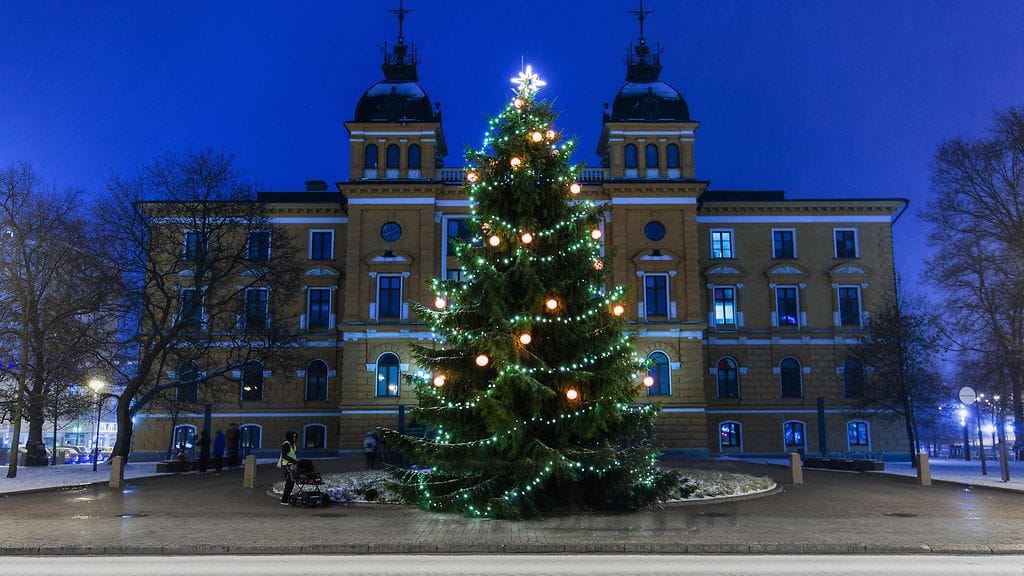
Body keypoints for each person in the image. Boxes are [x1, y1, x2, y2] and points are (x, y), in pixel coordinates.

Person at [279, 431, 298, 505]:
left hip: (292, 465)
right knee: (289, 483)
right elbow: (284, 455)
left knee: (291, 482)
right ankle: (284, 500)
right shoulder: (286, 444)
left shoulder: (292, 444)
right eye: (293, 436)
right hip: (287, 465)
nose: (295, 438)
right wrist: (293, 460)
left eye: (295, 437)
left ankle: (285, 499)